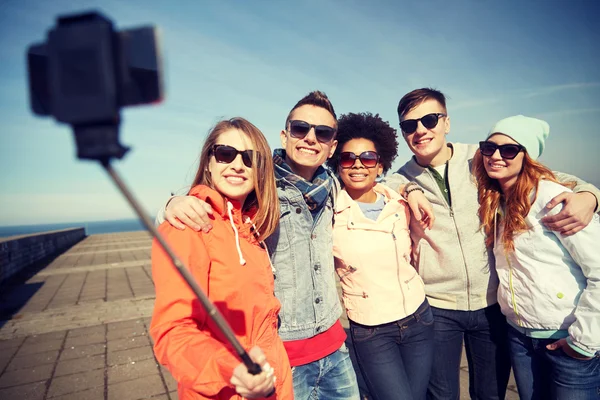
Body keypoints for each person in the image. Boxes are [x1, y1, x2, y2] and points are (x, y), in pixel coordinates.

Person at [155, 92, 433, 399]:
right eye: (301, 129)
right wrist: (173, 203)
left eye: (323, 133)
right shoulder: (260, 187)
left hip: (334, 348)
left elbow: (375, 179)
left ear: (332, 147)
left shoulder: (334, 186)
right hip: (285, 355)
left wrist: (410, 187)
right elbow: (220, 199)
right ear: (285, 135)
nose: (311, 138)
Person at [383, 88, 600, 400]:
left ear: (446, 123)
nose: (420, 130)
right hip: (439, 304)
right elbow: (385, 183)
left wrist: (591, 196)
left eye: (429, 120)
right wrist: (410, 187)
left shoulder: (483, 156)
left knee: (490, 393)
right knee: (441, 394)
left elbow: (549, 176)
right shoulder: (402, 177)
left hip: (492, 304)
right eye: (409, 125)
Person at [150, 118, 293, 399]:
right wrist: (232, 369)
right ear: (208, 162)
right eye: (226, 154)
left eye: (250, 158)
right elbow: (173, 332)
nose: (238, 165)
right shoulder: (187, 227)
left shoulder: (251, 228)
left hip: (274, 385)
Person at [473, 115, 600, 400]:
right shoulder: (496, 200)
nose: (495, 156)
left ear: (526, 156)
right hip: (519, 336)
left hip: (567, 336)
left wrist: (583, 342)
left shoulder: (553, 199)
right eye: (488, 147)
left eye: (508, 150)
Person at [328, 112, 434, 400]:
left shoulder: (401, 204)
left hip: (418, 319)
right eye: (348, 158)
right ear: (338, 165)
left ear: (381, 165)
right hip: (372, 332)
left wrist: (410, 188)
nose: (358, 165)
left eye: (368, 158)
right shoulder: (328, 213)